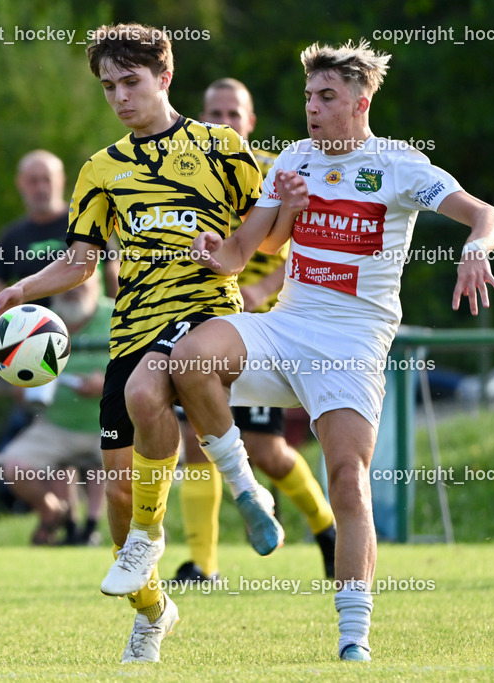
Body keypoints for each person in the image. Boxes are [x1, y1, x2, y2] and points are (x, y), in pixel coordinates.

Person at [171, 39, 494, 662]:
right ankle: (248, 492)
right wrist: (224, 250)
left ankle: (354, 638)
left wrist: (476, 249)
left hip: (351, 345)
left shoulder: (400, 164)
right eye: (307, 97)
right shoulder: (292, 159)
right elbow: (252, 252)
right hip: (286, 324)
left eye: (327, 97)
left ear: (361, 101)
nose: (313, 109)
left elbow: (486, 213)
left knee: (348, 482)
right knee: (187, 361)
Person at [0, 23, 304, 663]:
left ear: (164, 77)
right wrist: (22, 291)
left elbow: (268, 241)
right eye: (108, 87)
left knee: (144, 391)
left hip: (204, 312)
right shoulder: (102, 169)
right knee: (118, 498)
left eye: (131, 82)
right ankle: (154, 611)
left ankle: (173, 526)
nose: (120, 97)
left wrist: (287, 212)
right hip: (131, 327)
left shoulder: (222, 148)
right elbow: (80, 262)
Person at [172, 77, 336, 586]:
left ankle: (325, 527)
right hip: (200, 325)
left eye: (233, 113)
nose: (223, 120)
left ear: (251, 121)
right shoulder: (186, 171)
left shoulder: (277, 170)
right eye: (213, 111)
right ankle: (203, 564)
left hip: (260, 331)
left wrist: (260, 290)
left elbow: (305, 253)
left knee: (265, 451)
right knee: (196, 441)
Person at [0, 275, 110, 546]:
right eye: (67, 283)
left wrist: (108, 385)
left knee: (127, 464)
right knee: (14, 465)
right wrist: (21, 384)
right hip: (55, 425)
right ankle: (56, 514)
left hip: (112, 426)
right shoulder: (37, 321)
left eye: (81, 281)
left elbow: (147, 368)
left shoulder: (119, 316)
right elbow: (19, 382)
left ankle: (99, 528)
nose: (73, 290)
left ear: (98, 283)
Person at [0, 150, 119, 309]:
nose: (40, 188)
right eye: (33, 181)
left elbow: (117, 279)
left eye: (47, 179)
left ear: (61, 180)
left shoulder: (87, 221)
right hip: (31, 328)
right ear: (20, 183)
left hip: (89, 328)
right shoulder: (12, 237)